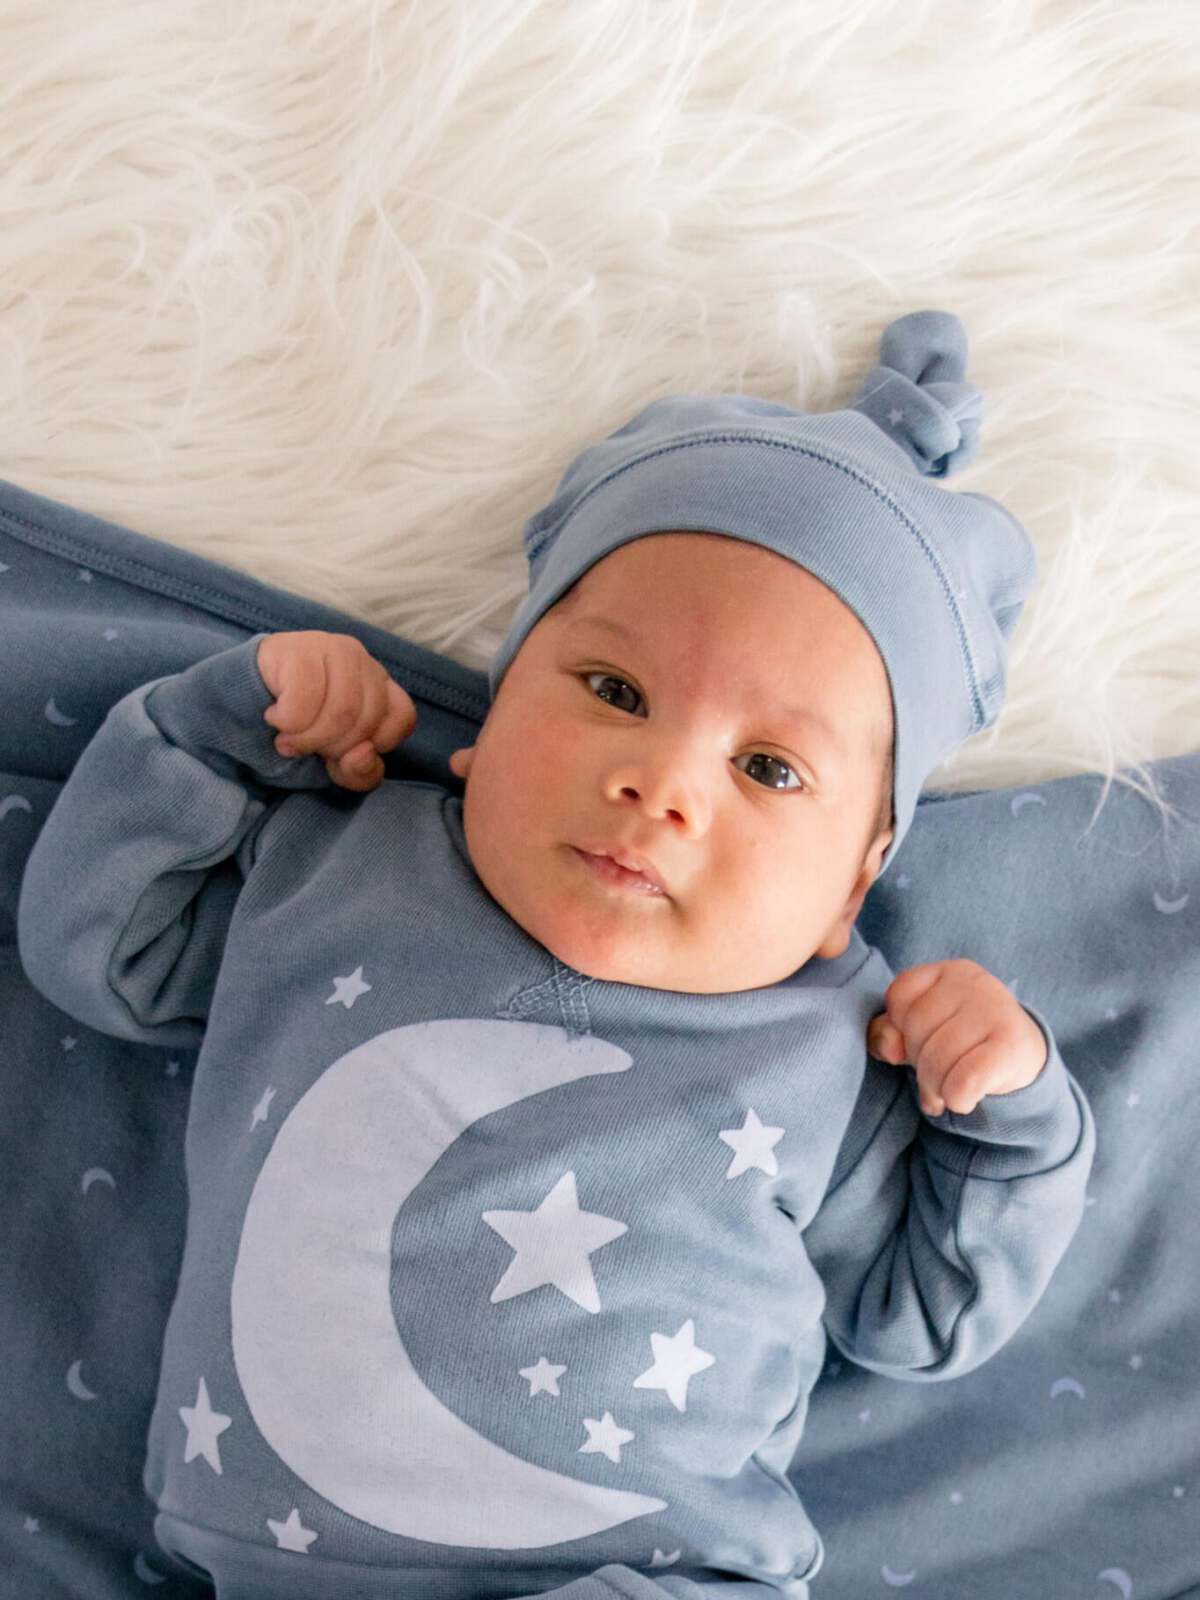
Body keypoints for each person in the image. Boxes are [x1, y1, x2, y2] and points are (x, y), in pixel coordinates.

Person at [16, 310, 1096, 1600]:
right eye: (613, 693)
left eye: (767, 768)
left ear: (852, 885)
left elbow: (926, 1320)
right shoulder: (335, 867)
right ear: (491, 710)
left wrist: (1011, 1121)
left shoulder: (836, 1052)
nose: (661, 784)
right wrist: (216, 731)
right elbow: (99, 953)